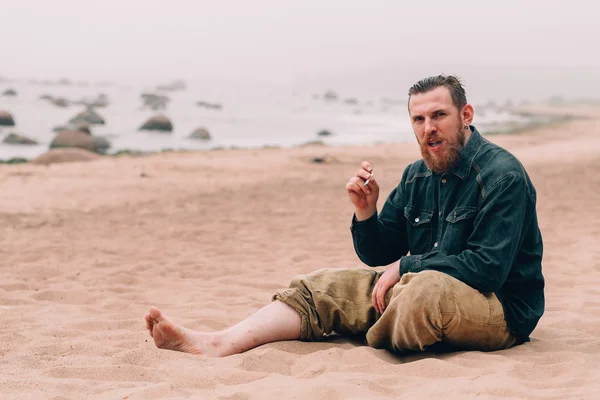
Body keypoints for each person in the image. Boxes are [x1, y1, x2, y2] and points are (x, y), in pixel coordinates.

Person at [144, 75, 545, 357]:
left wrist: (407, 265)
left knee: (420, 292)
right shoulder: (416, 174)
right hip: (417, 290)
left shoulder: (502, 175)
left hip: (501, 310)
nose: (428, 129)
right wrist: (366, 211)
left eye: (439, 115)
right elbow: (376, 253)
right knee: (323, 284)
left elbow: (488, 268)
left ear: (466, 115)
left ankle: (365, 327)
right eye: (418, 120)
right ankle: (220, 342)